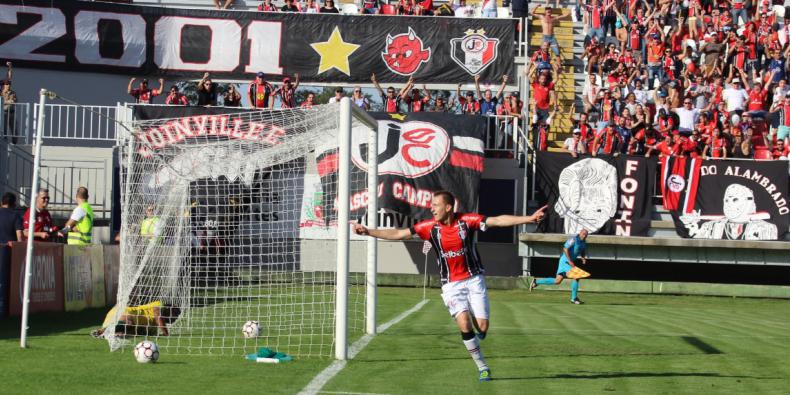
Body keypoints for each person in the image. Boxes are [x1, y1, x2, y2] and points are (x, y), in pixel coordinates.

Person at [352, 190, 547, 382]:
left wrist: (528, 219)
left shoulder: (467, 221)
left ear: (448, 207)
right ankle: (482, 367)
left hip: (474, 279)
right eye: (431, 205)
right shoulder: (428, 227)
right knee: (464, 323)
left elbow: (497, 220)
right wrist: (369, 231)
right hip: (451, 284)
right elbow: (399, 233)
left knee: (483, 327)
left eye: (435, 205)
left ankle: (474, 325)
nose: (431, 209)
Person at [530, 230, 589, 305]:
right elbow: (565, 248)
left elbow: (582, 251)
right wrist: (570, 261)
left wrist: (583, 257)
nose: (584, 236)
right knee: (576, 276)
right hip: (565, 261)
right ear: (580, 233)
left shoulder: (583, 243)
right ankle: (574, 298)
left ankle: (536, 282)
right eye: (583, 234)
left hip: (566, 262)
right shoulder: (573, 239)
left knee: (557, 281)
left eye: (586, 235)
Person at [91, 300, 181, 338]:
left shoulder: (153, 326)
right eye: (175, 314)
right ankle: (102, 331)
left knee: (130, 330)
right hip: (122, 312)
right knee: (129, 323)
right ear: (169, 309)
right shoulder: (160, 304)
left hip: (122, 318)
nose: (176, 318)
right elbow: (158, 316)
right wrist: (166, 333)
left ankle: (110, 333)